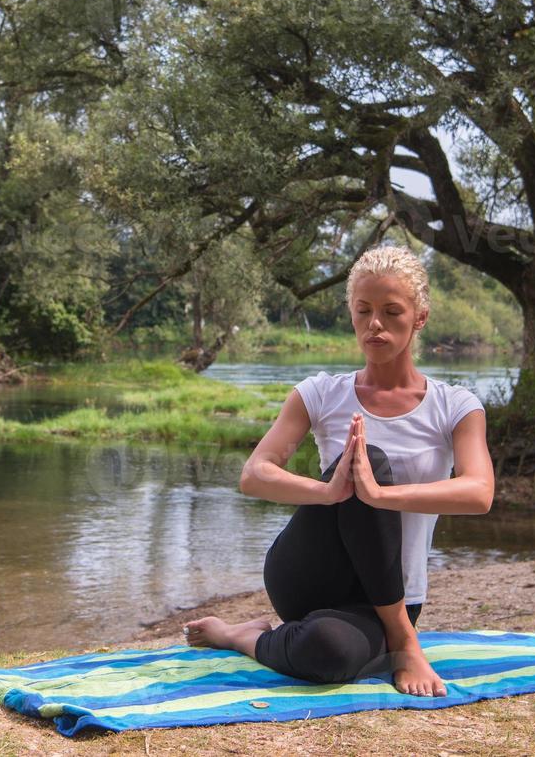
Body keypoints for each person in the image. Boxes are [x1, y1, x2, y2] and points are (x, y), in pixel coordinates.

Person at [183, 244, 495, 696]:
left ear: (419, 317)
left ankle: (242, 635)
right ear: (351, 313)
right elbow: (255, 474)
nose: (375, 324)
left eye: (391, 312)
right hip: (310, 573)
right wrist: (329, 491)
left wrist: (380, 496)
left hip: (396, 591)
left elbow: (478, 492)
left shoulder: (455, 406)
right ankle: (405, 642)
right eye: (364, 310)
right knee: (367, 461)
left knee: (328, 652)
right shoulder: (320, 393)